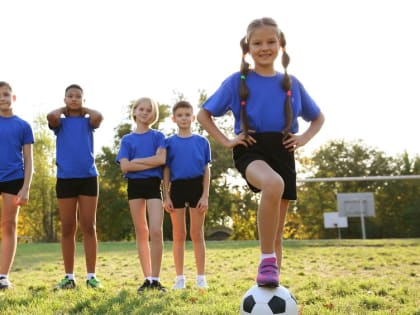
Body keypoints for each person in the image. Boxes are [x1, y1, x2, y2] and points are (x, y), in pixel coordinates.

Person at [197, 17, 325, 287]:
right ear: (247, 47)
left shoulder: (292, 83)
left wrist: (303, 138)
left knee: (277, 232)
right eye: (257, 42)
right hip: (251, 149)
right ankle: (266, 259)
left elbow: (318, 117)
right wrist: (227, 141)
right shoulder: (236, 82)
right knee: (272, 182)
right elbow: (204, 114)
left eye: (270, 41)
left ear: (281, 45)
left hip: (284, 150)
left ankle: (271, 283)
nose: (264, 47)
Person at [47, 84, 103, 290]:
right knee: (68, 227)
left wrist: (82, 110)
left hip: (88, 178)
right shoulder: (59, 123)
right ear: (64, 99)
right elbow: (50, 116)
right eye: (70, 96)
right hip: (65, 179)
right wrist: (66, 110)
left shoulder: (90, 122)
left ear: (84, 100)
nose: (74, 99)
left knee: (89, 226)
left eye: (78, 96)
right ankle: (69, 277)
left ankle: (91, 276)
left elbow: (99, 116)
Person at [116, 97, 168, 293]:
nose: (145, 112)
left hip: (153, 186)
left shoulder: (158, 136)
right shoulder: (127, 140)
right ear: (135, 111)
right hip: (135, 187)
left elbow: (161, 159)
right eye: (142, 109)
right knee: (142, 231)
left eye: (149, 110)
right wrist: (151, 161)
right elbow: (124, 166)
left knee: (156, 230)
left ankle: (156, 279)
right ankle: (147, 279)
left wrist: (136, 162)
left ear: (153, 114)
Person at [163, 101, 211, 290]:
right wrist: (166, 196)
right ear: (174, 119)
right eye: (180, 115)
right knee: (179, 234)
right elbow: (166, 171)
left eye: (187, 115)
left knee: (197, 233)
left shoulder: (202, 142)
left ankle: (201, 278)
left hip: (196, 187)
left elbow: (207, 170)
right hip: (177, 188)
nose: (184, 118)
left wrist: (205, 195)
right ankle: (180, 279)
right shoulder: (169, 143)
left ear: (193, 118)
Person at [0, 81, 34, 290]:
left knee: (9, 225)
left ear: (13, 98)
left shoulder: (23, 125)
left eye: (5, 94)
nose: (1, 98)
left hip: (14, 179)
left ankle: (3, 276)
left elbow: (29, 159)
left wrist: (26, 187)